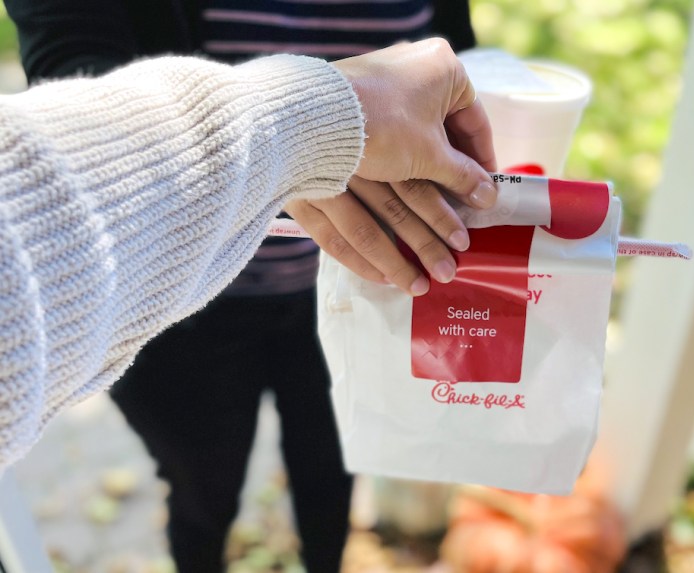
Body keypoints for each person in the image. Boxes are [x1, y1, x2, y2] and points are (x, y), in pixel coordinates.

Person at [6, 2, 490, 572]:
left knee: (333, 477)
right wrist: (312, 132)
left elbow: (458, 69)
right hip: (186, 306)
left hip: (364, 293)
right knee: (202, 492)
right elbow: (73, 74)